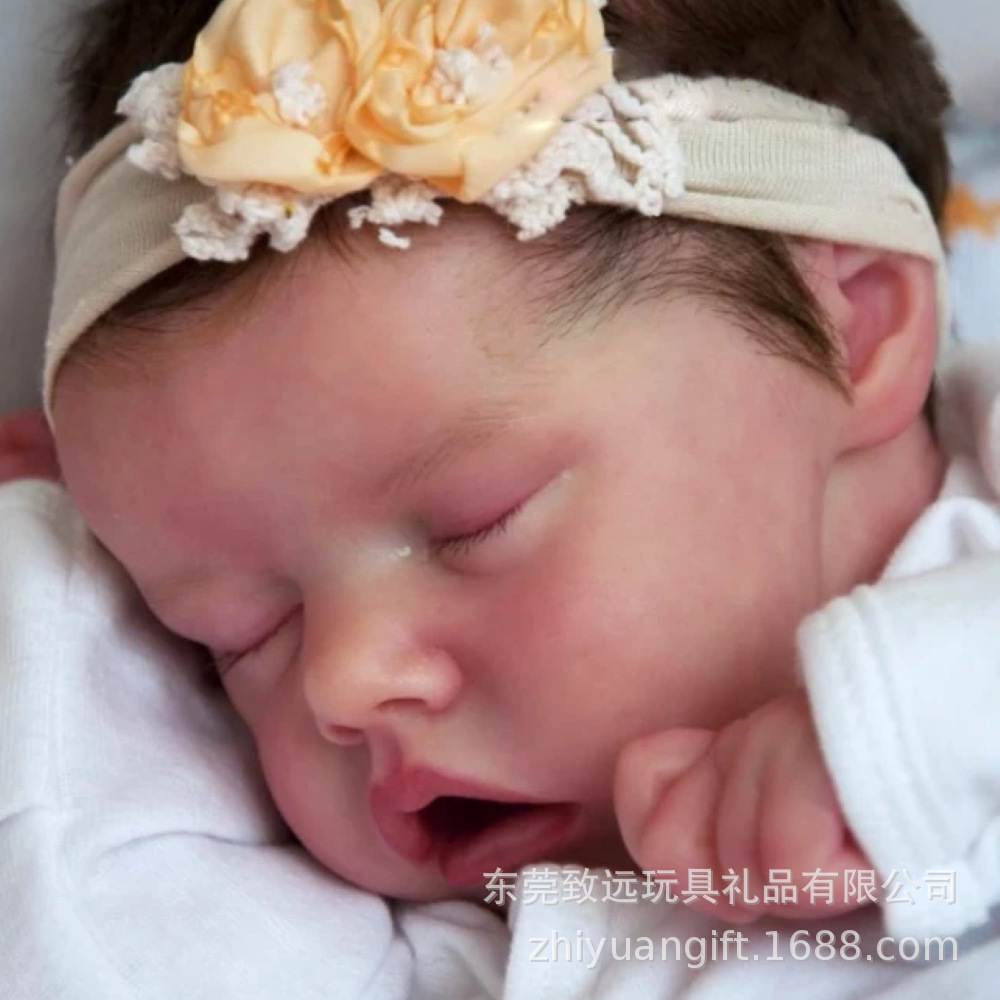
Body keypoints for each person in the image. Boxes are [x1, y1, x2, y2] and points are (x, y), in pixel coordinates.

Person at [3, 1, 998, 990]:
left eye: (475, 524)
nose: (342, 683)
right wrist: (39, 570)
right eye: (236, 636)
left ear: (852, 331)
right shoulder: (429, 946)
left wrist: (909, 725)